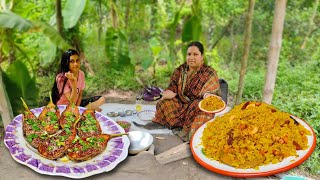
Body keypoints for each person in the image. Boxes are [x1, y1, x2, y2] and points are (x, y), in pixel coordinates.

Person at [152, 41, 221, 141]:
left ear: (202, 56)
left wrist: (208, 97)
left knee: (199, 106)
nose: (191, 57)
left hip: (197, 108)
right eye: (189, 54)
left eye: (195, 54)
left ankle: (186, 129)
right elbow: (173, 90)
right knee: (163, 104)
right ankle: (180, 123)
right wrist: (162, 95)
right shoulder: (180, 70)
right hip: (182, 104)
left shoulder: (209, 72)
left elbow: (209, 94)